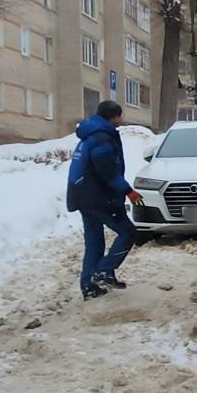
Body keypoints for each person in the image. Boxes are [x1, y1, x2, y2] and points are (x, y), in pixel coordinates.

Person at [66, 100, 142, 299]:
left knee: (94, 241)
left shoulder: (90, 134)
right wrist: (128, 191)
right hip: (96, 195)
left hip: (82, 194)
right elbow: (107, 170)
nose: (122, 120)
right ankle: (104, 271)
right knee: (128, 232)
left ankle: (89, 286)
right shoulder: (102, 137)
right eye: (120, 116)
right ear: (114, 117)